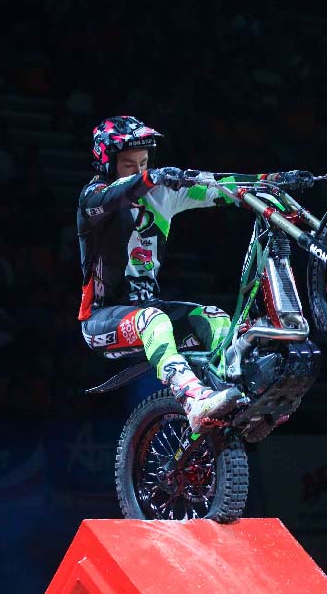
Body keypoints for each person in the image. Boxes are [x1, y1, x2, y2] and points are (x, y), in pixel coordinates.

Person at [77, 115, 259, 431]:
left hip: (150, 310)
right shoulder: (93, 199)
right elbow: (114, 195)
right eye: (128, 165)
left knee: (215, 318)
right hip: (102, 318)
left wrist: (269, 182)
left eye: (144, 163)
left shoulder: (161, 193)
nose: (139, 171)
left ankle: (241, 397)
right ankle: (192, 399)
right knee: (153, 319)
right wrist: (151, 178)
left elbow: (221, 187)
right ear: (107, 165)